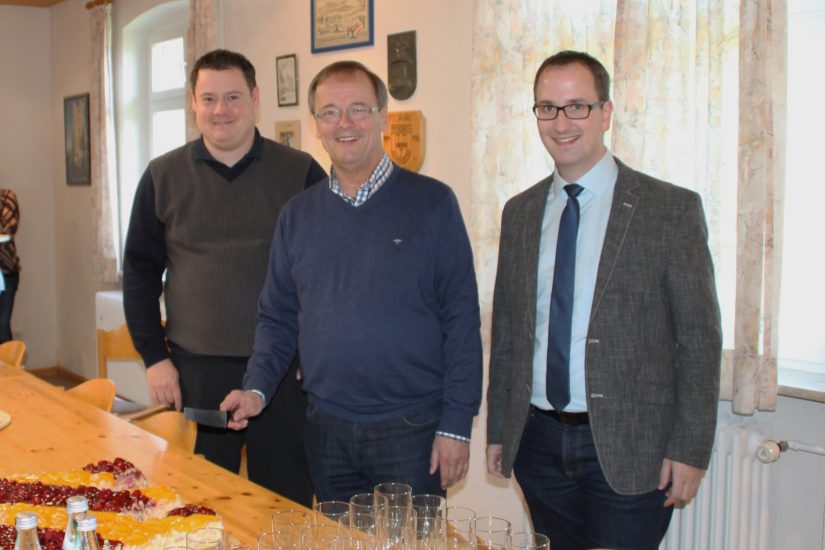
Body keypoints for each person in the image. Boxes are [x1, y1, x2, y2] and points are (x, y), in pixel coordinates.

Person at [485, 50, 722, 550]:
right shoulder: (520, 212)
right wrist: (500, 431)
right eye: (547, 108)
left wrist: (690, 449)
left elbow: (699, 342)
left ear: (605, 113)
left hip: (630, 446)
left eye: (577, 106)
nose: (561, 122)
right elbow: (509, 331)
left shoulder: (669, 210)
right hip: (539, 443)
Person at [221, 60, 483, 502]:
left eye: (359, 109)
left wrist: (456, 424)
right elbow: (277, 318)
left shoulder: (433, 204)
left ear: (383, 117)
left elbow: (461, 321)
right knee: (336, 537)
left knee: (411, 540)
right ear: (317, 125)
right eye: (330, 112)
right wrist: (256, 388)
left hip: (412, 429)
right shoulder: (297, 216)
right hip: (326, 429)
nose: (344, 123)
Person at [123, 49, 325, 506]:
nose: (221, 110)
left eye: (233, 97)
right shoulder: (161, 177)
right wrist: (155, 358)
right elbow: (138, 273)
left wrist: (314, 351)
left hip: (281, 374)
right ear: (193, 103)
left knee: (285, 506)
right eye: (209, 98)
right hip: (195, 372)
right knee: (198, 505)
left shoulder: (301, 174)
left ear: (255, 97)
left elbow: (327, 274)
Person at [0, 189, 21, 343]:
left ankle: (8, 359)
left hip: (5, 273)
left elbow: (9, 231)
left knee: (2, 326)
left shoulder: (7, 197)